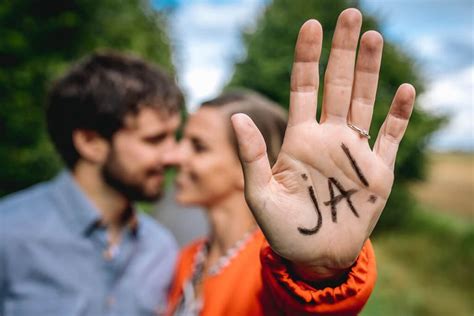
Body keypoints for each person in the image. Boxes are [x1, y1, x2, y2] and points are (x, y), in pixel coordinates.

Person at [166, 8, 416, 315]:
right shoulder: (187, 260)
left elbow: (302, 304)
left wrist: (316, 273)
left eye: (199, 147)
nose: (174, 156)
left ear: (248, 164)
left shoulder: (273, 271)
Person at [0, 52, 184, 315]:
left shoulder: (161, 249)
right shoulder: (8, 235)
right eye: (154, 140)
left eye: (173, 137)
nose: (175, 156)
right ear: (90, 143)